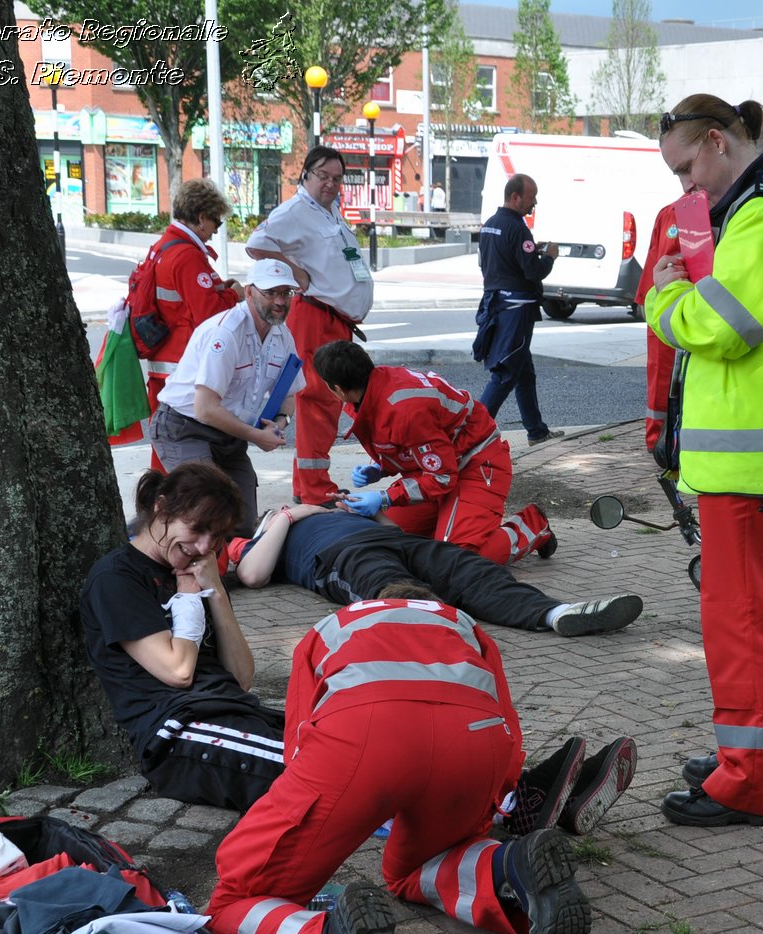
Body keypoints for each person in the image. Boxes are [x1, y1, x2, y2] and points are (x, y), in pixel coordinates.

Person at [204, 600, 598, 934]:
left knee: (234, 898)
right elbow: (507, 726)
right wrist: (488, 802)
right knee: (417, 866)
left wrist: (344, 803)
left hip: (363, 736)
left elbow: (298, 744)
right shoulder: (462, 623)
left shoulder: (330, 628)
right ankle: (512, 867)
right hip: (472, 740)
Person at [646, 94, 763, 828]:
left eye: (689, 170)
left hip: (748, 457)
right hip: (752, 454)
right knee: (759, 617)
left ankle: (750, 778)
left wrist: (664, 299)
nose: (688, 190)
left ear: (718, 142)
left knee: (739, 622)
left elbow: (723, 326)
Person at [80, 463, 285, 812]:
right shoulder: (116, 578)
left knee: (336, 747)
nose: (205, 546)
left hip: (232, 711)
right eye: (198, 528)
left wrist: (216, 591)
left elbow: (241, 678)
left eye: (217, 536)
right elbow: (178, 672)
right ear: (161, 508)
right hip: (177, 734)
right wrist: (189, 598)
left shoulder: (199, 572)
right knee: (314, 771)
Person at [227, 504, 642, 637]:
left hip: (397, 541)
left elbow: (396, 527)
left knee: (471, 570)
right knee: (386, 585)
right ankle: (439, 630)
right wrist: (283, 515)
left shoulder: (328, 512)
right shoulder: (263, 538)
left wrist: (362, 509)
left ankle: (556, 613)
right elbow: (252, 576)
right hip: (338, 556)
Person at [313, 339, 556, 564]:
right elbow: (416, 445)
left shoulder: (403, 410)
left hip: (477, 464)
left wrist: (385, 497)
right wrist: (381, 466)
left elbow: (441, 475)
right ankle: (448, 524)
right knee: (388, 538)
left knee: (458, 560)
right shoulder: (376, 386)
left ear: (339, 389)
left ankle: (533, 526)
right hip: (441, 467)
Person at [246, 147, 373, 505]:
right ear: (305, 175)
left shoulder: (327, 210)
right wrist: (292, 268)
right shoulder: (296, 211)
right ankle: (315, 489)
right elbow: (256, 244)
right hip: (317, 317)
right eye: (324, 176)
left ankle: (312, 486)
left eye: (337, 178)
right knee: (320, 400)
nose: (331, 184)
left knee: (327, 401)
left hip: (335, 320)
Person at [147, 259, 302, 538]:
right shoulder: (227, 332)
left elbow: (289, 393)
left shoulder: (283, 336)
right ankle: (154, 546)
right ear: (250, 291)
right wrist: (256, 436)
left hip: (230, 435)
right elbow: (205, 408)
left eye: (286, 293)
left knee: (239, 525)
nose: (280, 301)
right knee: (206, 511)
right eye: (271, 293)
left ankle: (227, 568)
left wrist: (279, 423)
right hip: (186, 427)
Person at [136, 179, 243, 472]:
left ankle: (158, 510)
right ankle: (166, 511)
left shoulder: (164, 246)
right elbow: (209, 313)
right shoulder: (186, 255)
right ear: (200, 218)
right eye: (215, 222)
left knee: (164, 450)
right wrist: (235, 295)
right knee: (175, 452)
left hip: (165, 363)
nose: (214, 231)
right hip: (179, 366)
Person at [472, 174, 563, 444]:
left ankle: (536, 431)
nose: (533, 203)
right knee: (505, 372)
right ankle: (472, 434)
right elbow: (532, 271)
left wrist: (530, 251)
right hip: (517, 310)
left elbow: (492, 263)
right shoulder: (518, 228)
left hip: (496, 303)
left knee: (524, 372)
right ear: (515, 197)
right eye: (530, 198)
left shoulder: (490, 225)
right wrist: (548, 257)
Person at [636, 198, 682, 453]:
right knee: (664, 377)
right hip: (671, 311)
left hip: (669, 310)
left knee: (662, 377)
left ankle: (660, 439)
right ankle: (661, 440)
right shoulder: (670, 213)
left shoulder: (670, 212)